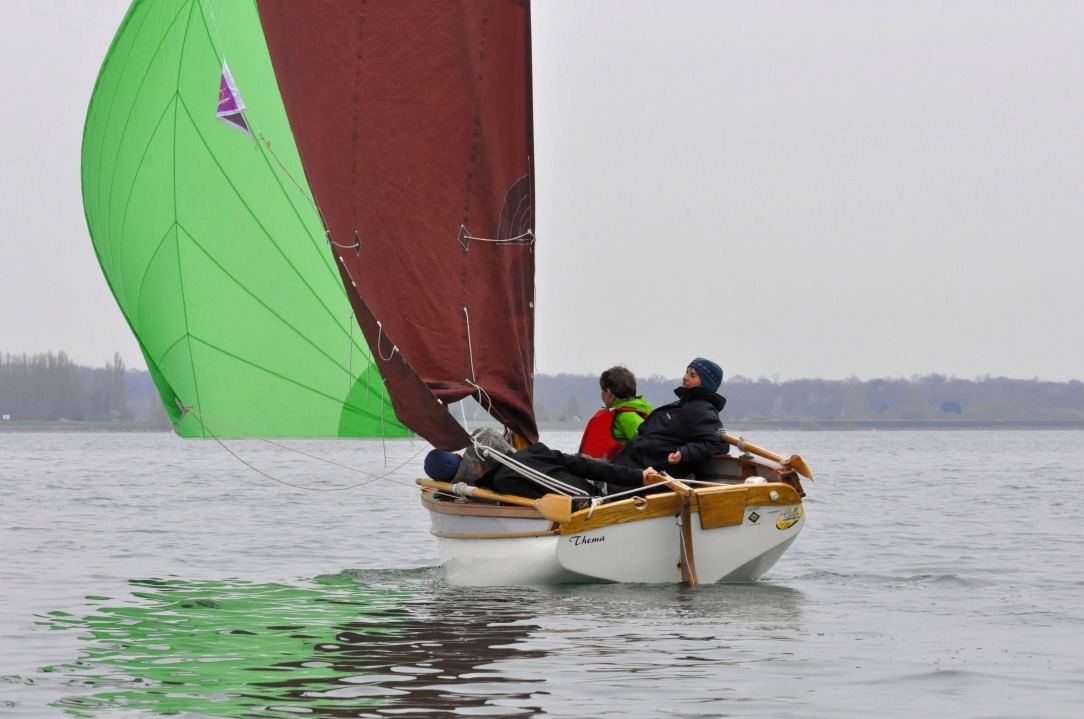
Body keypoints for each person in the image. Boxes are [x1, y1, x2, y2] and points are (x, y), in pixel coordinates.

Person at [424, 429, 659, 500]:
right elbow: (587, 466)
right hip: (600, 498)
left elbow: (537, 508)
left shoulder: (502, 481)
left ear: (477, 467)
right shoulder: (537, 451)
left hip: (582, 516)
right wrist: (638, 476)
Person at [612, 357, 729, 478]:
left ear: (705, 384)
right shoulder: (685, 404)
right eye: (686, 372)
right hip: (634, 462)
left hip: (650, 472)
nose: (685, 377)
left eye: (693, 375)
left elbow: (720, 444)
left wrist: (684, 452)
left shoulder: (704, 411)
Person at [578, 365, 653, 461]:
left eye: (602, 390)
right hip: (599, 469)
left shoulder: (627, 416)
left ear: (608, 393)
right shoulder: (619, 413)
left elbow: (648, 444)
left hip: (614, 471)